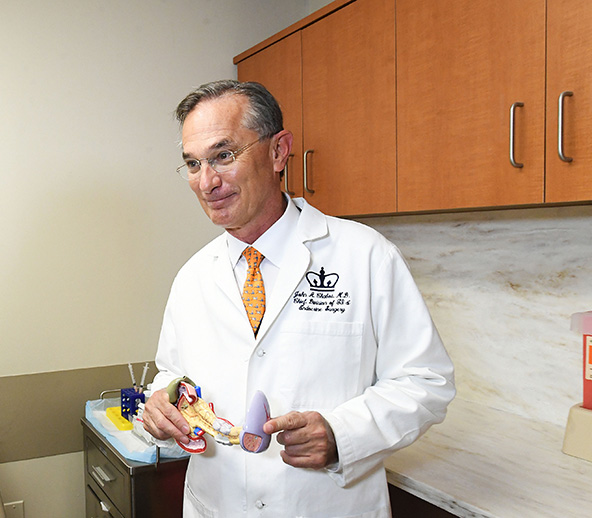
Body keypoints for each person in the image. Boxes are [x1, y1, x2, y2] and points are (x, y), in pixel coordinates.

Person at [142, 80, 455, 517]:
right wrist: (162, 403)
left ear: (277, 151)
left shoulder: (365, 256)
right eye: (193, 164)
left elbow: (425, 380)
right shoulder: (193, 277)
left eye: (223, 156)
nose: (207, 182)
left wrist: (341, 433)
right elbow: (171, 374)